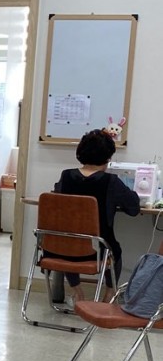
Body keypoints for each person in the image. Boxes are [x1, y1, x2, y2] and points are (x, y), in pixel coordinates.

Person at [53, 129, 140, 302]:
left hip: (63, 248)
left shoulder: (66, 176)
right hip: (99, 251)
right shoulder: (110, 181)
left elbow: (57, 198)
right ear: (108, 157)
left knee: (70, 242)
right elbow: (133, 209)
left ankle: (77, 291)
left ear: (80, 153)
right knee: (115, 250)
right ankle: (109, 293)